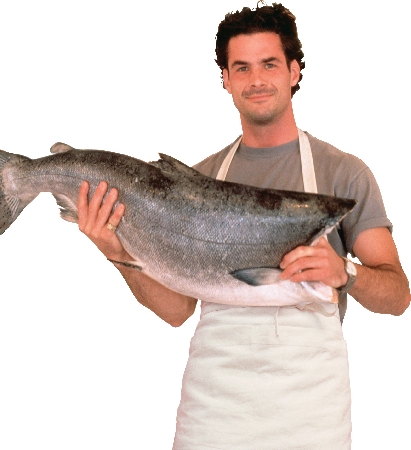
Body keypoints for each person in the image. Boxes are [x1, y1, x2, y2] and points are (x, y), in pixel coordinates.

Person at [76, 3, 410, 449]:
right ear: (226, 80)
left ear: (293, 71)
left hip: (312, 415)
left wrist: (344, 272)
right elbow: (177, 311)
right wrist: (117, 252)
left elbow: (397, 296)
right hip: (212, 409)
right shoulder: (195, 182)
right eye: (242, 68)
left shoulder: (343, 173)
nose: (256, 80)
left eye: (269, 64)